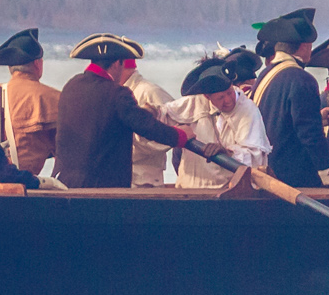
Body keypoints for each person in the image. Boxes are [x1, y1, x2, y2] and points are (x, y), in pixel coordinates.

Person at [54, 33, 228, 188]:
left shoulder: (71, 85)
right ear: (116, 64)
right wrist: (181, 136)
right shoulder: (116, 93)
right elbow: (146, 126)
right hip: (101, 186)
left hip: (65, 182)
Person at [249, 9, 329, 189]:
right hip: (293, 181)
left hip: (268, 172)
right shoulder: (301, 79)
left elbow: (278, 120)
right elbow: (310, 134)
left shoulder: (265, 74)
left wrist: (317, 117)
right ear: (305, 46)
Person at [166, 54, 261, 189]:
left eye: (229, 93)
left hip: (229, 193)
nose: (228, 100)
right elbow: (163, 115)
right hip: (189, 191)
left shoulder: (247, 109)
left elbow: (256, 157)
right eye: (221, 97)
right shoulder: (192, 104)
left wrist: (228, 152)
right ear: (207, 96)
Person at [0, 29, 60, 178]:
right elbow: (64, 153)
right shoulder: (53, 98)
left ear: (10, 68)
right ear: (37, 64)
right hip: (25, 187)